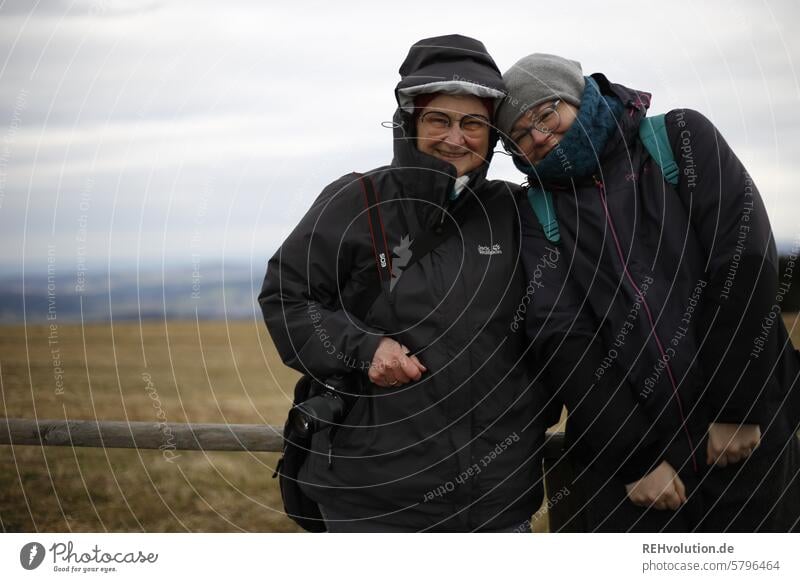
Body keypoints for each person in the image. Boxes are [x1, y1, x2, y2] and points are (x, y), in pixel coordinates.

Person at [495, 53, 800, 532]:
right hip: (635, 476)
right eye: (518, 134)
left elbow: (743, 259)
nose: (536, 135)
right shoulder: (536, 211)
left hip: (748, 437)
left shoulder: (678, 139)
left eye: (546, 113)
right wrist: (633, 459)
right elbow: (562, 335)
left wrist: (737, 408)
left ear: (578, 96)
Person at [258, 35, 550, 532]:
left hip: (498, 503)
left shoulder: (516, 211)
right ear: (410, 122)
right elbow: (287, 295)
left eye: (473, 123)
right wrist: (362, 349)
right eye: (439, 119)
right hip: (373, 502)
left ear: (492, 135)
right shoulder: (355, 200)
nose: (455, 137)